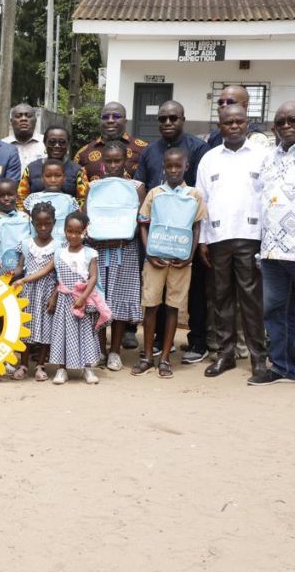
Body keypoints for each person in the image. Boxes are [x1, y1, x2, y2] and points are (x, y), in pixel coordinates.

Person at [251, 101, 295, 387]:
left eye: (293, 120)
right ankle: (282, 368)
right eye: (280, 122)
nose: (286, 126)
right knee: (276, 311)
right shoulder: (269, 157)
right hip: (272, 249)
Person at [135, 100, 210, 363]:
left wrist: (193, 248)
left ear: (183, 119)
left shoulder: (198, 148)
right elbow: (141, 185)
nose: (168, 123)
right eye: (163, 118)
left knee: (189, 297)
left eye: (173, 118)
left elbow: (201, 190)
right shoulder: (149, 150)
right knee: (152, 302)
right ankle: (152, 347)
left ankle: (196, 343)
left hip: (184, 242)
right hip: (157, 239)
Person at [196, 105, 267, 379]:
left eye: (239, 121)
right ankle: (225, 355)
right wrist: (202, 240)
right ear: (220, 125)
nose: (234, 126)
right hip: (217, 238)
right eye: (228, 122)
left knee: (251, 300)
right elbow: (202, 201)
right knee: (221, 299)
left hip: (251, 238)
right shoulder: (209, 159)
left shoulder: (262, 156)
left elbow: (267, 198)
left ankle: (258, 358)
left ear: (247, 123)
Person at [83, 141, 145, 372]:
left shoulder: (137, 187)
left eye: (117, 160)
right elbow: (87, 216)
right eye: (107, 161)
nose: (112, 165)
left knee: (119, 300)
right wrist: (97, 236)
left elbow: (140, 220)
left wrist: (123, 237)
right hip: (98, 249)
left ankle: (115, 352)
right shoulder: (94, 187)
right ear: (102, 164)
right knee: (98, 298)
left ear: (125, 161)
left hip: (125, 249)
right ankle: (99, 349)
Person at [48, 211, 105, 385]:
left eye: (78, 232)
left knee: (86, 333)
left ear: (85, 231)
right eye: (69, 231)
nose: (73, 235)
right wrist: (53, 296)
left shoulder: (91, 253)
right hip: (64, 301)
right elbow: (53, 275)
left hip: (82, 300)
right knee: (61, 333)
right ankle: (61, 369)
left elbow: (93, 277)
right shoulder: (59, 253)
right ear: (64, 230)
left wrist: (83, 298)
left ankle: (88, 368)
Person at [11, 201, 58, 381]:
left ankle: (40, 365)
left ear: (54, 222)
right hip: (27, 293)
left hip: (47, 292)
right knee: (25, 329)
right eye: (39, 224)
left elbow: (60, 276)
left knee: (46, 329)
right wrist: (8, 276)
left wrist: (54, 296)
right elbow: (20, 268)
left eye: (47, 223)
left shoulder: (59, 246)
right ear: (33, 224)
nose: (43, 227)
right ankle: (23, 365)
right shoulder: (26, 244)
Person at [73, 101, 147, 205]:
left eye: (116, 116)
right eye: (105, 117)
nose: (110, 120)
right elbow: (80, 194)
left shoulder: (143, 149)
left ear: (125, 121)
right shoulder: (83, 153)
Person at [17, 125, 80, 205]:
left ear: (68, 144)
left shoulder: (78, 170)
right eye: (52, 142)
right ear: (44, 143)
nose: (57, 146)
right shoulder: (31, 168)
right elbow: (21, 199)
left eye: (62, 142)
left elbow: (83, 200)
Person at [23, 159, 79, 244]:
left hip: (62, 245)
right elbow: (26, 223)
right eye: (48, 176)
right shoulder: (33, 198)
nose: (53, 180)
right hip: (37, 247)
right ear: (42, 178)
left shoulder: (69, 200)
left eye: (58, 176)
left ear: (64, 178)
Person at [2, 103, 46, 169]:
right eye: (18, 116)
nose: (23, 119)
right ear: (11, 122)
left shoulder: (46, 143)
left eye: (28, 116)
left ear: (35, 120)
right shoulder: (2, 145)